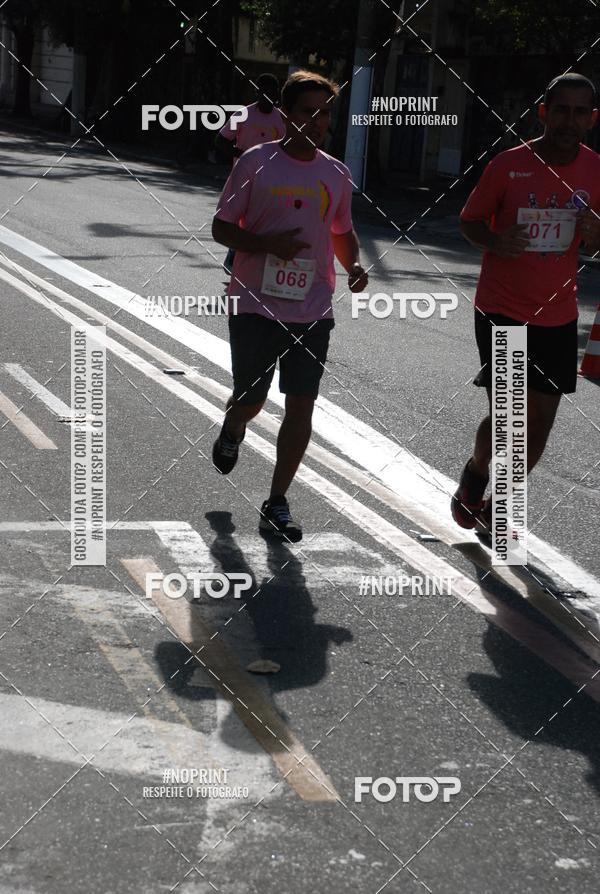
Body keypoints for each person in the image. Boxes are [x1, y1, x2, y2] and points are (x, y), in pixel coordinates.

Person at [211, 70, 368, 542]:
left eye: (325, 114)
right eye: (307, 111)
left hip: (312, 309)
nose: (317, 122)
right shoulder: (255, 163)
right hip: (255, 304)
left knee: (302, 406)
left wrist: (355, 264)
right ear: (285, 116)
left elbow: (341, 230)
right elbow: (222, 228)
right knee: (253, 397)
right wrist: (265, 243)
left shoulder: (335, 173)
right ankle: (235, 422)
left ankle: (276, 502)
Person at [452, 72, 600, 534]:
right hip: (502, 308)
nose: (568, 120)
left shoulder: (597, 169)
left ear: (592, 119)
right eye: (561, 109)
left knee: (538, 426)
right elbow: (469, 222)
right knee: (511, 417)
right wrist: (497, 240)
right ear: (543, 112)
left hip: (558, 313)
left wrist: (596, 235)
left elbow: (595, 242)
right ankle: (478, 476)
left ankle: (497, 503)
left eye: (579, 112)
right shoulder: (508, 164)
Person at [216, 73, 286, 274]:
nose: (268, 96)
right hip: (243, 175)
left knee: (264, 218)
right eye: (264, 91)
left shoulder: (281, 118)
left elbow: (287, 145)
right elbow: (220, 140)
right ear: (257, 92)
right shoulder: (243, 114)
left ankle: (256, 263)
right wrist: (242, 154)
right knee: (240, 218)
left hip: (271, 178)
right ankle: (232, 258)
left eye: (272, 92)